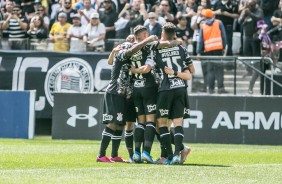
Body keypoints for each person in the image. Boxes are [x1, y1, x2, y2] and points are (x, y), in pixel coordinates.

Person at [96, 34, 158, 163]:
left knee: (121, 125)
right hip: (115, 92)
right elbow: (126, 53)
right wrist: (147, 40)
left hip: (125, 94)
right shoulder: (123, 52)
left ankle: (114, 155)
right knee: (112, 124)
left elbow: (111, 61)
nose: (130, 43)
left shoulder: (131, 57)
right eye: (128, 41)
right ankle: (101, 155)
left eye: (132, 41)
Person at [153, 22, 195, 164]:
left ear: (163, 34)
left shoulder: (156, 48)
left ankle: (169, 156)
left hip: (165, 89)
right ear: (175, 34)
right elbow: (191, 73)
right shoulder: (181, 48)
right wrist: (177, 72)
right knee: (178, 124)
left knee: (161, 125)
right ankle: (177, 154)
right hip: (181, 88)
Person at [196, 9, 228, 94]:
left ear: (205, 17)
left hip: (208, 50)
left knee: (210, 70)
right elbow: (223, 36)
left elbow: (200, 40)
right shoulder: (219, 22)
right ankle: (221, 88)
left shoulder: (203, 26)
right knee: (219, 69)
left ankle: (211, 89)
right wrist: (224, 47)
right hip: (218, 49)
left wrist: (198, 51)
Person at [238, 0, 264, 94]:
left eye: (251, 6)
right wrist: (244, 15)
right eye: (248, 6)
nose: (250, 8)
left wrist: (251, 14)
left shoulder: (259, 11)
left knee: (256, 60)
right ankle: (248, 70)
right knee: (246, 55)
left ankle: (251, 84)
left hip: (255, 38)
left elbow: (260, 19)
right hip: (246, 37)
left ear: (255, 5)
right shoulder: (246, 11)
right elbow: (239, 21)